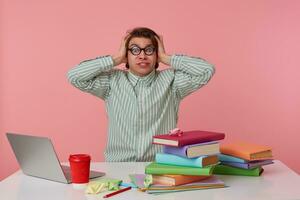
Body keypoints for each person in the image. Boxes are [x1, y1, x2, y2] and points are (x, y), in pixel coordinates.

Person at [67, 27, 215, 162]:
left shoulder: (172, 82)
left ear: (155, 55)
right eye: (135, 50)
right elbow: (75, 76)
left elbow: (206, 70)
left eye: (149, 50)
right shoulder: (111, 81)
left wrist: (165, 57)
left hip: (159, 165)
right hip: (118, 166)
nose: (142, 55)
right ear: (127, 54)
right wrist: (116, 58)